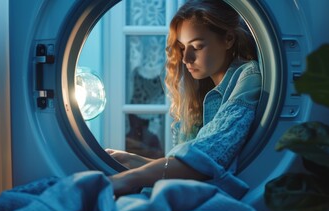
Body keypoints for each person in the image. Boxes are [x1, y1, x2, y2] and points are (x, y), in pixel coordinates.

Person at [107, 0, 261, 198]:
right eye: (182, 47)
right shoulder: (199, 91)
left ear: (228, 39)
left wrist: (128, 178)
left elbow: (208, 155)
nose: (186, 58)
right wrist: (133, 160)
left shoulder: (248, 76)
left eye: (196, 46)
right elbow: (187, 168)